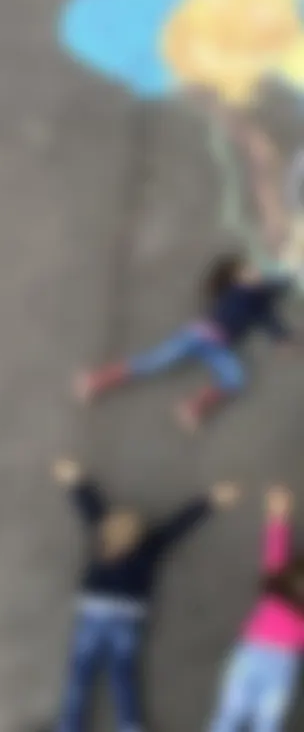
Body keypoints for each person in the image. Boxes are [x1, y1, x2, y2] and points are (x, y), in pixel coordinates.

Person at [49, 458, 238, 732]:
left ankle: (69, 726)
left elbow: (89, 505)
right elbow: (179, 525)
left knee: (80, 677)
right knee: (123, 678)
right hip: (128, 616)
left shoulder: (102, 537)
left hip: (94, 612)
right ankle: (131, 726)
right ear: (140, 534)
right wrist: (212, 500)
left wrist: (74, 478)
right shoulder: (150, 547)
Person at [74, 253, 295, 431]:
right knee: (152, 363)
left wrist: (282, 337)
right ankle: (95, 381)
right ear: (236, 277)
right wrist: (282, 277)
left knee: (236, 378)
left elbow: (268, 317)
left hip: (219, 346)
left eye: (254, 271)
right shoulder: (237, 292)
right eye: (248, 271)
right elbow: (267, 290)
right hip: (197, 336)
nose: (254, 273)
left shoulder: (258, 301)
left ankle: (191, 408)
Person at [208, 486, 304, 732]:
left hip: (281, 662)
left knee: (268, 722)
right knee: (229, 715)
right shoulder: (275, 586)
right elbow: (276, 550)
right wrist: (278, 515)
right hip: (252, 654)